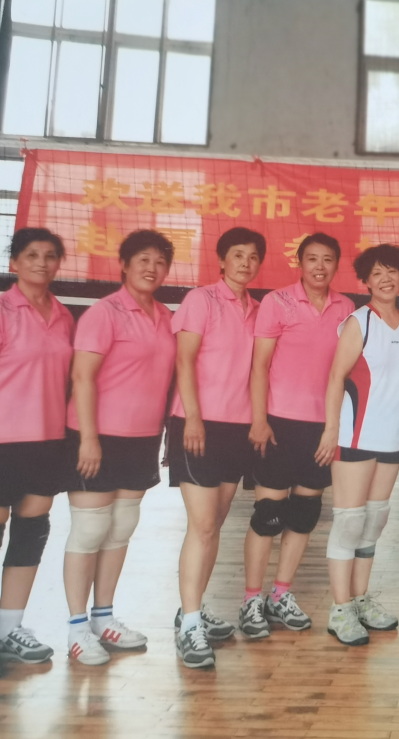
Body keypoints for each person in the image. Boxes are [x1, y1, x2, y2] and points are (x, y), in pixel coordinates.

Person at [63, 230, 177, 666]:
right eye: (143, 259)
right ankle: (77, 628)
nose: (152, 268)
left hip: (142, 438)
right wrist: (89, 438)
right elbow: (82, 377)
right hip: (95, 437)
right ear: (124, 265)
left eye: (160, 262)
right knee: (89, 530)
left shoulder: (165, 316)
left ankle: (103, 617)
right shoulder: (104, 313)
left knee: (121, 527)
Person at [242, 233, 354, 637]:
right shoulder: (277, 302)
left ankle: (280, 595)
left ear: (336, 265)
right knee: (268, 516)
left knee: (304, 515)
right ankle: (251, 600)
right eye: (312, 259)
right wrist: (259, 420)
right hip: (277, 424)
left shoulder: (346, 308)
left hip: (321, 429)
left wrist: (333, 428)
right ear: (300, 263)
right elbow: (259, 366)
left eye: (327, 259)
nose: (319, 267)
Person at [167, 227, 265, 668]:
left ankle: (193, 607)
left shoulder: (258, 310)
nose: (246, 262)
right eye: (237, 255)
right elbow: (183, 359)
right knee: (203, 525)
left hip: (237, 428)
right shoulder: (200, 300)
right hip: (197, 426)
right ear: (221, 260)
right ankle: (190, 624)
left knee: (215, 524)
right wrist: (192, 417)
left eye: (253, 256)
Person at [315, 244, 399, 646]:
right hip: (354, 438)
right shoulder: (359, 322)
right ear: (366, 281)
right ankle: (340, 609)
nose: (386, 279)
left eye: (392, 271)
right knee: (349, 522)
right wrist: (330, 430)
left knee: (374, 521)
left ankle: (359, 599)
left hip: (391, 440)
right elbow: (336, 377)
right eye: (377, 273)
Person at [0, 229, 74, 671]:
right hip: (3, 440)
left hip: (47, 442)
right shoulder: (3, 309)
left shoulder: (64, 316)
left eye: (50, 256)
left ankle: (9, 627)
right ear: (14, 263)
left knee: (31, 532)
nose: (42, 263)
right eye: (31, 255)